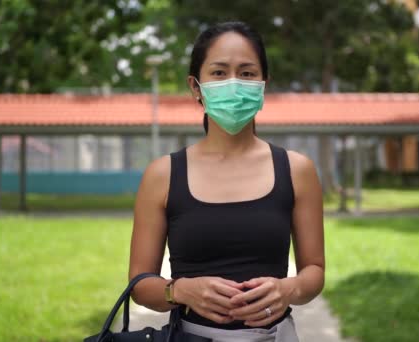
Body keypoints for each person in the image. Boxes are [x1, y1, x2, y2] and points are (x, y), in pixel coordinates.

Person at [129, 21, 324, 341]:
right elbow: (139, 284)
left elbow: (314, 270)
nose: (234, 83)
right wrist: (178, 291)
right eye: (219, 73)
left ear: (263, 84)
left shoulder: (296, 170)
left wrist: (289, 288)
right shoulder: (162, 175)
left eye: (247, 73)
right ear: (196, 86)